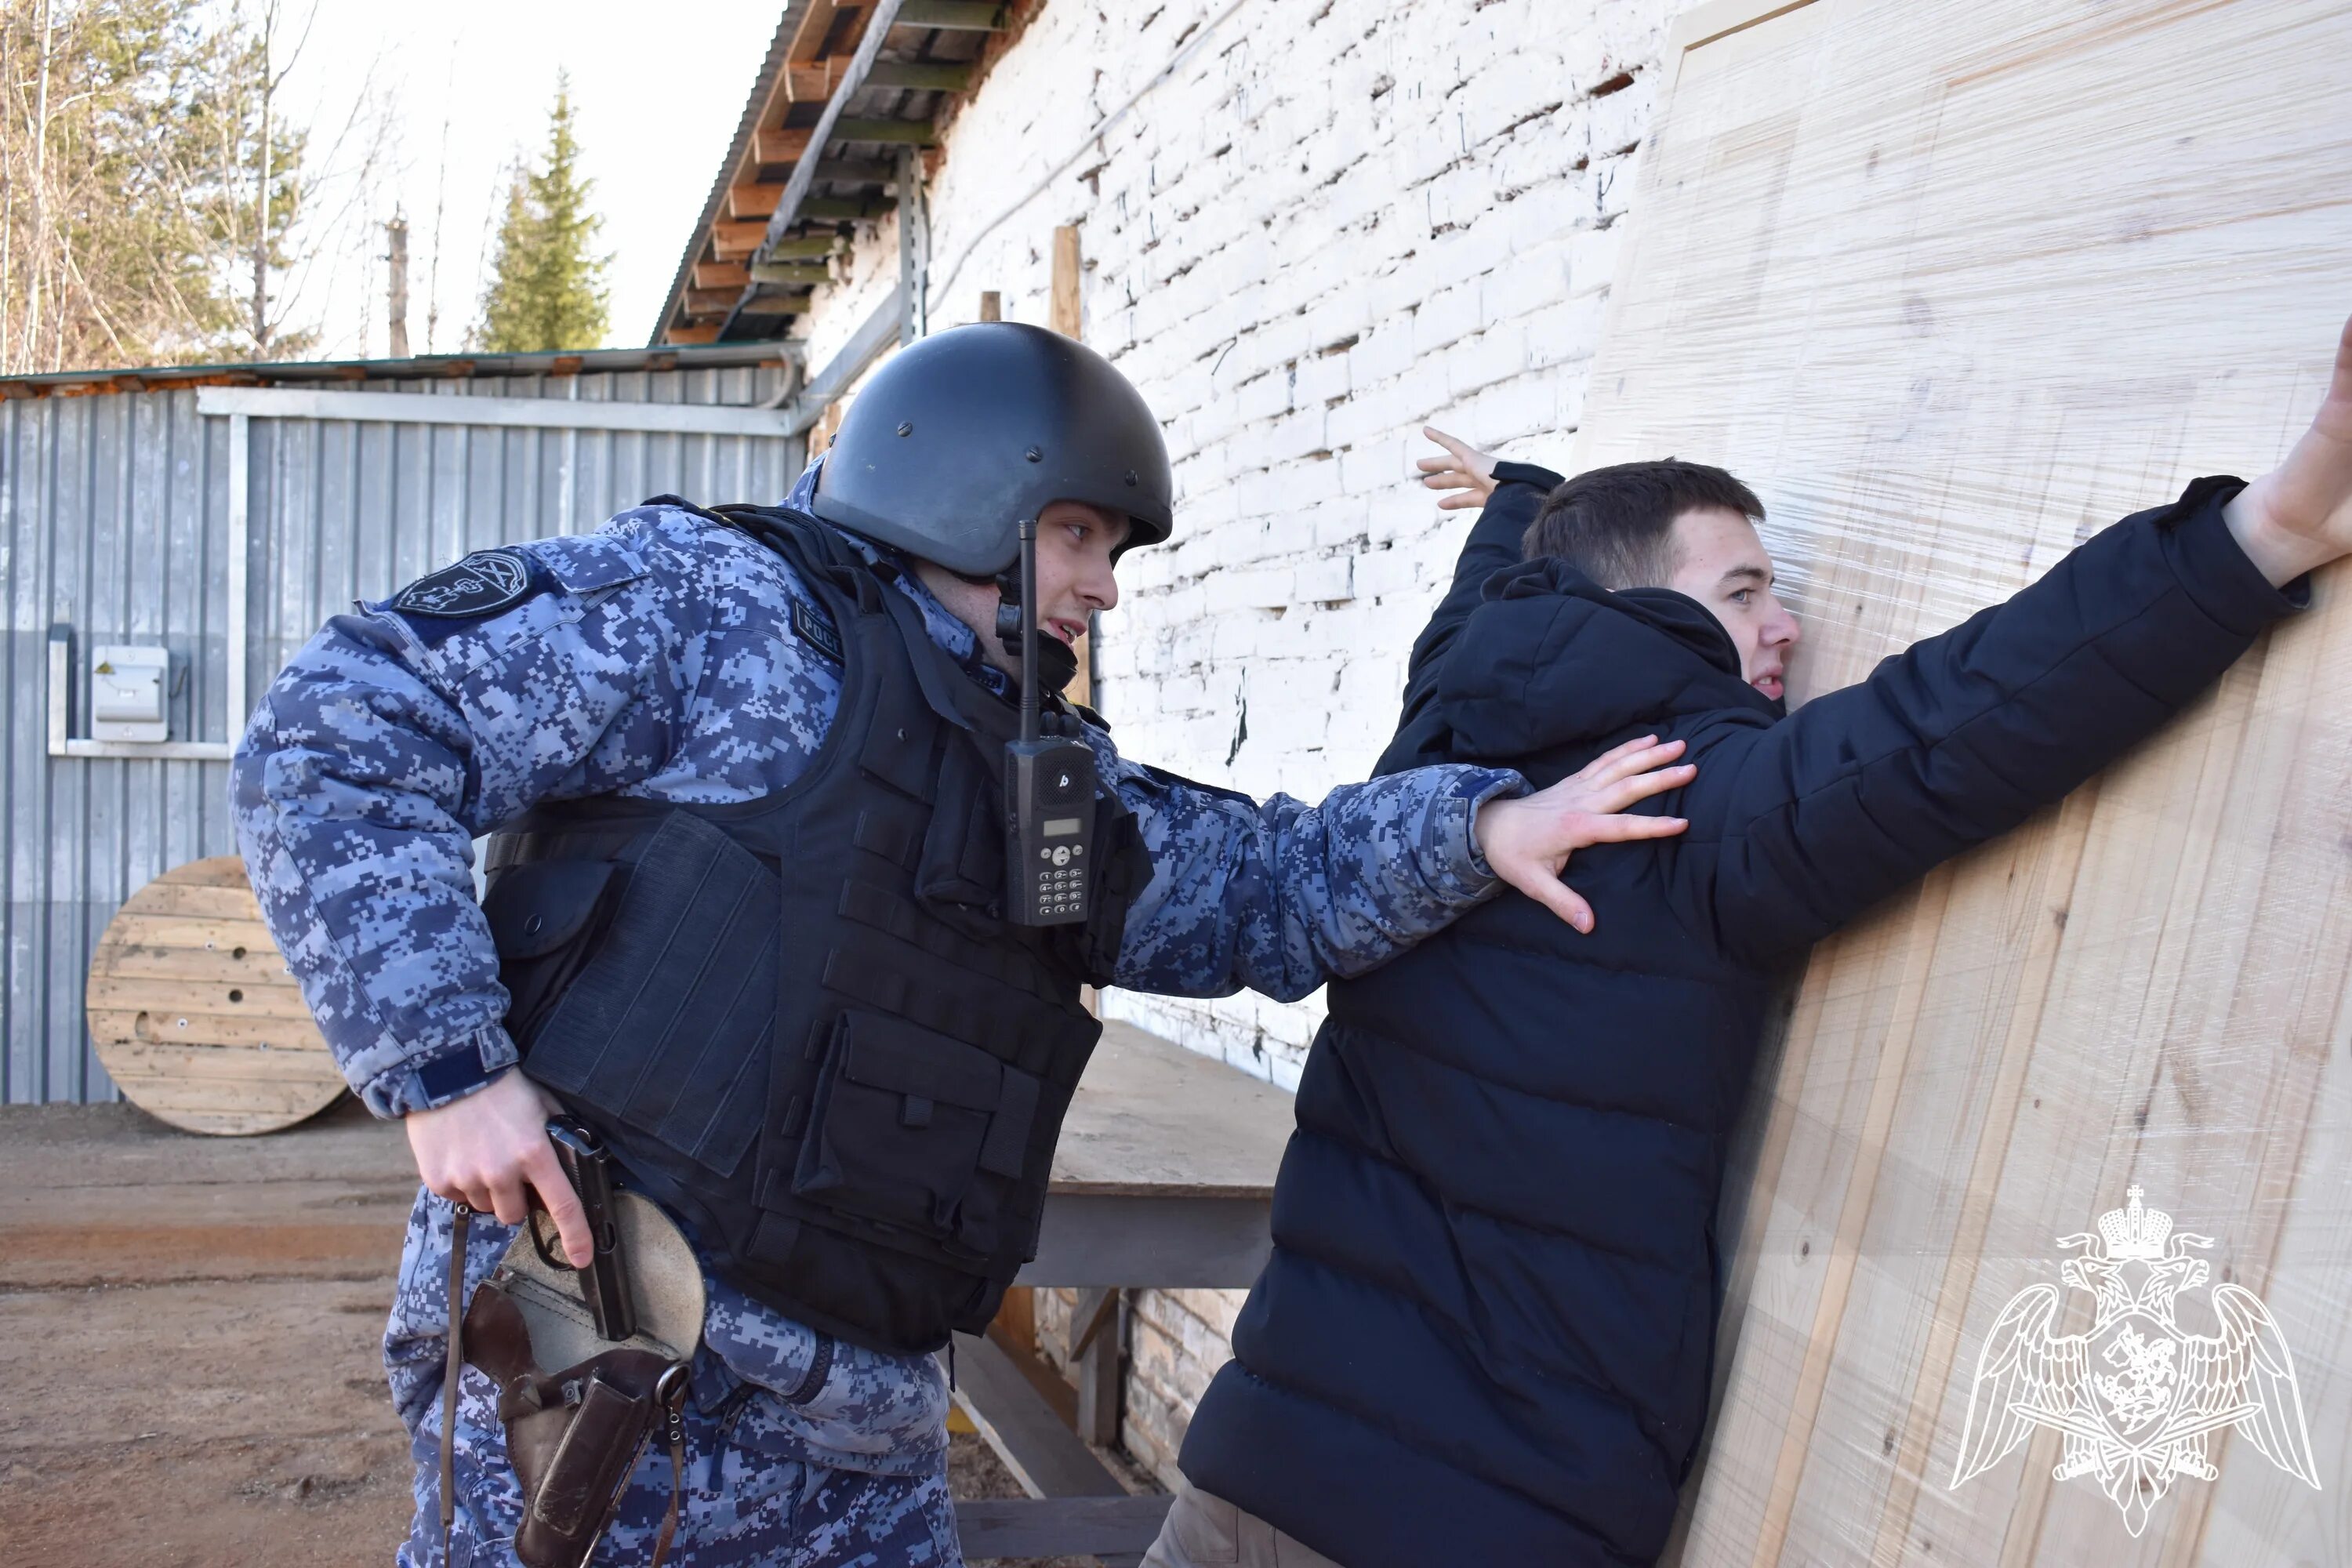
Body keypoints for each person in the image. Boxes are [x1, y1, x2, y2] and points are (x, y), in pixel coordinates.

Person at [230, 322, 1695, 1566]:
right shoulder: (716, 611)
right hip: (612, 1386)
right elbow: (343, 724)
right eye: (1078, 534)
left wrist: (1486, 827)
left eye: (1111, 550)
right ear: (957, 489)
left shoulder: (1039, 772)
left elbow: (1256, 883)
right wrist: (444, 1069)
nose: (1105, 584)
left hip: (862, 1442)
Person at [1153, 314, 2352, 1568]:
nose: (1785, 625)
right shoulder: (1678, 805)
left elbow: (1484, 603)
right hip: (1472, 1527)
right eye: (1745, 591)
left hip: (1247, 1480)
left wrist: (1517, 495)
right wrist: (2265, 531)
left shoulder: (1434, 758)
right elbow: (1964, 717)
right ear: (1629, 605)